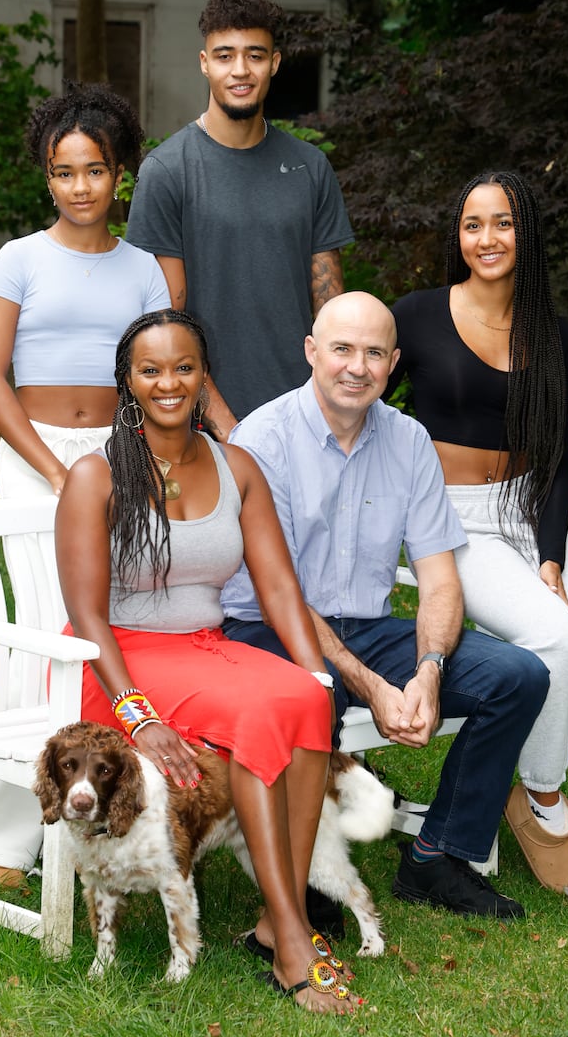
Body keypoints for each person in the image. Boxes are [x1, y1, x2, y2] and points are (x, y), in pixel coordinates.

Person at [54, 308, 359, 1015]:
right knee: (259, 712)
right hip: (120, 664)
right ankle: (292, 940)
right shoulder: (95, 477)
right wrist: (141, 717)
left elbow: (280, 584)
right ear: (127, 381)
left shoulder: (236, 465)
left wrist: (314, 670)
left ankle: (278, 915)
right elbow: (89, 617)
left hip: (204, 652)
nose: (169, 383)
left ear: (202, 375)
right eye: (150, 370)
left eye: (183, 367)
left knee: (309, 701)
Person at [220, 291, 550, 919]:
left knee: (517, 677)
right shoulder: (262, 440)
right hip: (268, 628)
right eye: (342, 349)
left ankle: (439, 857)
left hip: (368, 628)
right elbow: (278, 590)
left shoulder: (408, 441)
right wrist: (372, 685)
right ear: (312, 352)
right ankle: (307, 887)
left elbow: (439, 579)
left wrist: (429, 668)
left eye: (374, 353)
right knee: (316, 693)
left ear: (393, 361)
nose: (357, 366)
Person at [388, 170, 568, 920]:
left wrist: (549, 552)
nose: (487, 239)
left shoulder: (553, 333)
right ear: (458, 237)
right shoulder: (415, 316)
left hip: (533, 508)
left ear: (525, 233)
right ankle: (541, 797)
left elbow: (560, 454)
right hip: (452, 521)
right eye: (473, 224)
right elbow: (353, 403)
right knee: (556, 637)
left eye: (502, 223)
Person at [0, 83, 171, 886]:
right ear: (47, 176)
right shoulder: (19, 259)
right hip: (37, 458)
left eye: (95, 170)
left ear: (120, 176)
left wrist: (129, 464)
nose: (80, 186)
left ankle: (91, 816)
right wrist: (52, 468)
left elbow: (153, 377)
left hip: (115, 456)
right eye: (63, 171)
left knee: (102, 628)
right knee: (38, 631)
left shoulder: (145, 269)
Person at [126, 0, 354, 438]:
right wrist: (229, 428)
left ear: (274, 63)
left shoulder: (310, 167)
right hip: (203, 427)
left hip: (303, 417)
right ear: (205, 63)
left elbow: (331, 308)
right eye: (225, 55)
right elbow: (164, 324)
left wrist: (332, 403)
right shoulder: (167, 171)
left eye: (254, 54)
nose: (240, 70)